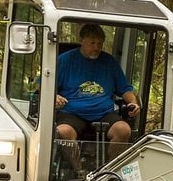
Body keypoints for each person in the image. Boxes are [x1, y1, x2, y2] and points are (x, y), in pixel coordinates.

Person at [53, 23, 140, 169]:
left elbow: (125, 88)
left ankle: (109, 172)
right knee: (63, 132)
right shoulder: (65, 60)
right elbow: (44, 85)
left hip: (103, 112)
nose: (96, 47)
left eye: (100, 43)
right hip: (71, 113)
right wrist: (54, 96)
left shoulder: (109, 62)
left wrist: (133, 102)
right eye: (92, 43)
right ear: (82, 41)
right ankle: (78, 171)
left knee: (123, 130)